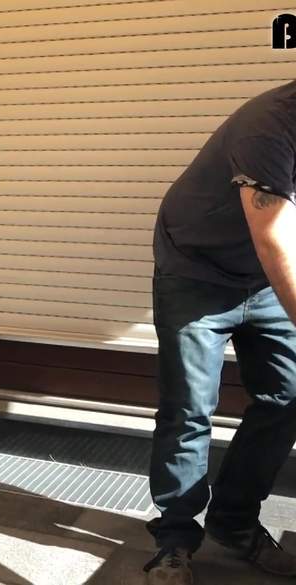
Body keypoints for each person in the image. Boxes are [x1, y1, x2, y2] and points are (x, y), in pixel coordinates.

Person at [146, 80, 296, 584]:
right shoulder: (269, 124)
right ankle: (174, 540)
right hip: (197, 272)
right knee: (188, 409)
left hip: (267, 279)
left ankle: (234, 522)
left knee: (288, 397)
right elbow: (273, 237)